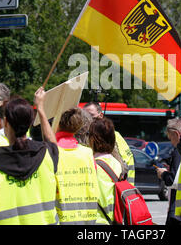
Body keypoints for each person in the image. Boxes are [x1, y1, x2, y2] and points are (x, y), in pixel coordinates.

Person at [0, 98, 59, 225]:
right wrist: (41, 110)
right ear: (31, 122)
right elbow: (52, 143)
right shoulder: (47, 153)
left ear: (6, 123)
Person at [35, 88, 99, 225]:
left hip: (60, 220)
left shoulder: (51, 152)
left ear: (57, 123)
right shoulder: (87, 154)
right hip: (86, 221)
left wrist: (41, 109)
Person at [83, 102, 135, 184]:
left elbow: (126, 164)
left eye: (91, 116)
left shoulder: (113, 136)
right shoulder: (84, 136)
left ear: (101, 115)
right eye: (84, 117)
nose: (87, 120)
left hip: (117, 187)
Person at [88, 117, 122, 225]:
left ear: (93, 139)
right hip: (115, 220)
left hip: (98, 221)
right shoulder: (117, 163)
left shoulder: (92, 165)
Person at [155, 117, 181, 225]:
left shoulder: (179, 150)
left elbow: (173, 180)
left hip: (177, 210)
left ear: (176, 134)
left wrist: (163, 174)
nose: (171, 142)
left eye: (170, 138)